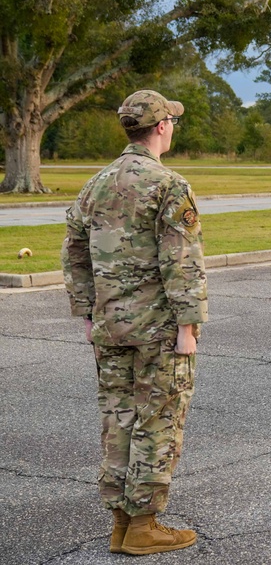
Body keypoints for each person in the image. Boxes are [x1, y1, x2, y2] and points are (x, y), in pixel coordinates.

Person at [62, 90, 207, 555]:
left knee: (117, 418)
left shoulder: (96, 184)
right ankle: (143, 525)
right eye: (173, 123)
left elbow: (75, 255)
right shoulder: (168, 184)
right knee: (159, 418)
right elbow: (181, 261)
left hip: (109, 327)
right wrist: (188, 326)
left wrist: (85, 313)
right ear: (162, 126)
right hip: (158, 329)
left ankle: (121, 522)